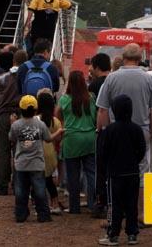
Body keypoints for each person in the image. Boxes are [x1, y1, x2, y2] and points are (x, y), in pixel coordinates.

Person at [96, 43, 152, 223]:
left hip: (116, 131)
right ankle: (140, 213)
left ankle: (115, 213)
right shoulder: (148, 79)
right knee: (141, 173)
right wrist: (149, 129)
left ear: (123, 57)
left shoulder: (111, 78)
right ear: (140, 59)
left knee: (114, 172)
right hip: (141, 130)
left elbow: (102, 109)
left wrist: (107, 130)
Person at [97, 94, 146, 246]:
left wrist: (107, 166)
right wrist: (134, 161)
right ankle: (132, 234)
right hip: (132, 172)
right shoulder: (136, 129)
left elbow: (103, 151)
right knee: (132, 203)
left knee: (114, 204)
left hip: (115, 173)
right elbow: (142, 149)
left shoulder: (110, 130)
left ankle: (113, 234)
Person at [10, 95, 63, 223]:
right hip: (37, 163)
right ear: (35, 110)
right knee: (40, 191)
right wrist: (59, 132)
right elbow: (48, 139)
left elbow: (11, 138)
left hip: (21, 164)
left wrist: (12, 123)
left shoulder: (16, 125)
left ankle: (21, 214)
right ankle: (43, 214)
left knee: (21, 191)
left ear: (21, 109)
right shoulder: (40, 124)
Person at [57, 70, 97, 214]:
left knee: (73, 175)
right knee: (91, 173)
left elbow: (58, 115)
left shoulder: (65, 100)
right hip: (89, 137)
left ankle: (74, 207)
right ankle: (93, 203)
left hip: (72, 139)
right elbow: (95, 117)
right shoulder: (91, 98)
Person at [0, 51, 26, 195]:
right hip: (22, 115)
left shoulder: (2, 78)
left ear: (13, 61)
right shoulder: (27, 77)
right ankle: (19, 185)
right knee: (19, 150)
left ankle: (2, 185)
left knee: (3, 151)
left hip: (3, 116)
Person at [88, 52, 111, 219]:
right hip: (117, 126)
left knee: (100, 168)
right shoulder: (114, 81)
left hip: (101, 128)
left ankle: (101, 201)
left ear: (96, 67)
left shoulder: (94, 85)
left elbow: (97, 110)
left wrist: (97, 128)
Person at [36, 90, 65, 214]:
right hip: (51, 154)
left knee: (37, 180)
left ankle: (40, 205)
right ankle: (55, 203)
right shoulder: (55, 121)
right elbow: (58, 139)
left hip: (37, 153)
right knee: (49, 179)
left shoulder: (36, 120)